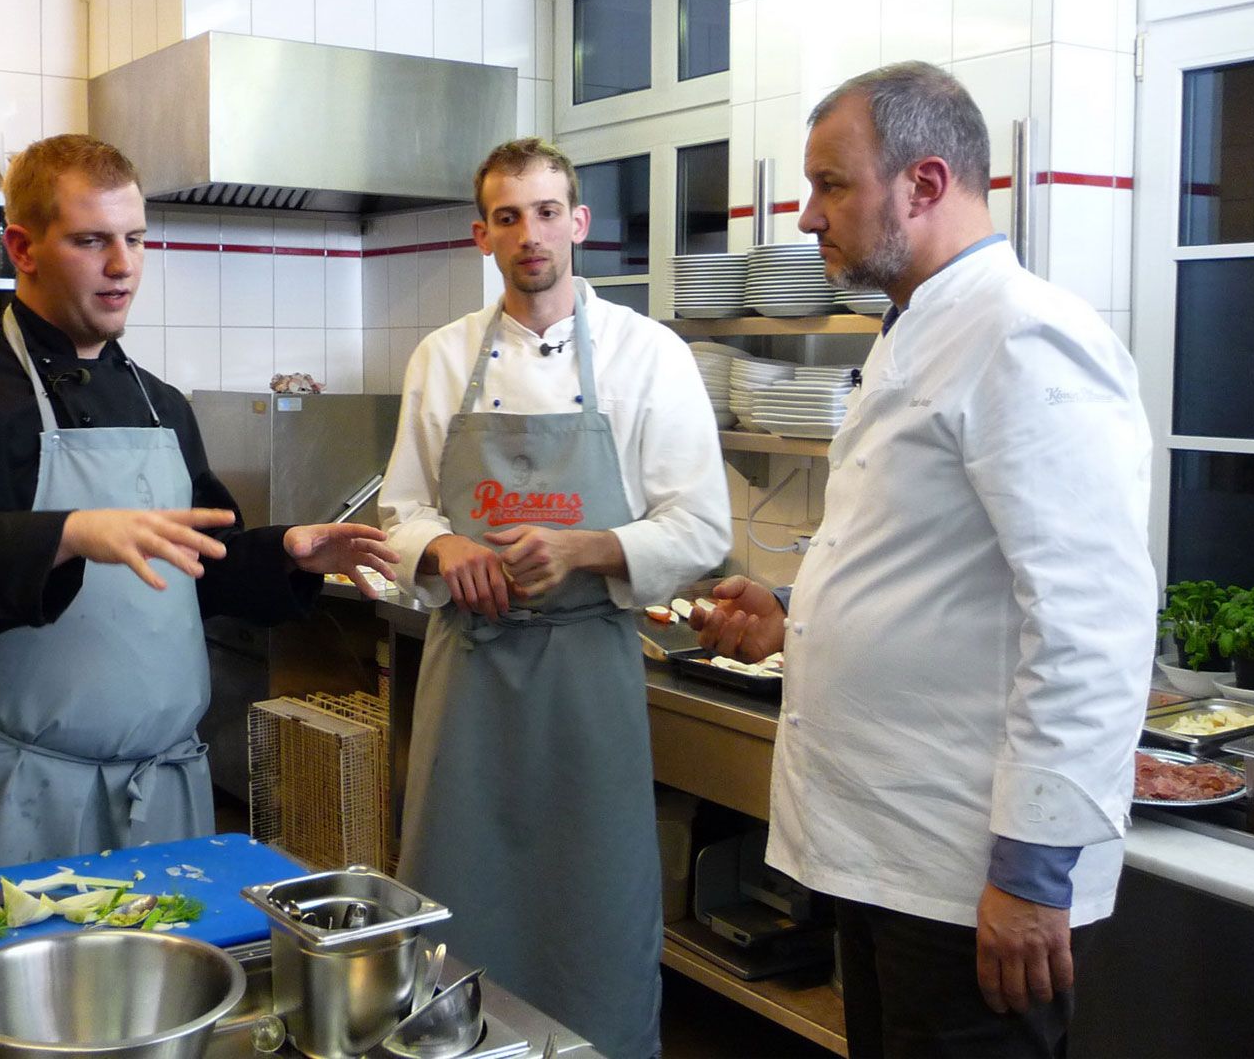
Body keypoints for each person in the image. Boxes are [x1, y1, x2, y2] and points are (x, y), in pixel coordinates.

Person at [692, 63, 1156, 1057]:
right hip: (886, 857)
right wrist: (790, 619)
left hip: (971, 879)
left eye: (832, 185)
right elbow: (927, 571)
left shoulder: (1023, 337)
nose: (809, 217)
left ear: (927, 184)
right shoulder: (913, 330)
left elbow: (1093, 621)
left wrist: (1033, 872)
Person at [0, 134, 398, 875]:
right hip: (21, 798)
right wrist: (64, 535)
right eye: (91, 240)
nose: (122, 266)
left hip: (165, 797)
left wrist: (284, 550)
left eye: (135, 239)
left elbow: (199, 568)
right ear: (23, 248)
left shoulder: (159, 403)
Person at [379, 138, 733, 1059]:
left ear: (578, 224)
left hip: (589, 675)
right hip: (473, 680)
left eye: (546, 213)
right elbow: (401, 509)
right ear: (481, 235)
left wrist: (587, 548)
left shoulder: (648, 355)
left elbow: (700, 527)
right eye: (508, 217)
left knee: (597, 901)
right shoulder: (442, 358)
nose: (530, 235)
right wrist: (445, 544)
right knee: (457, 897)